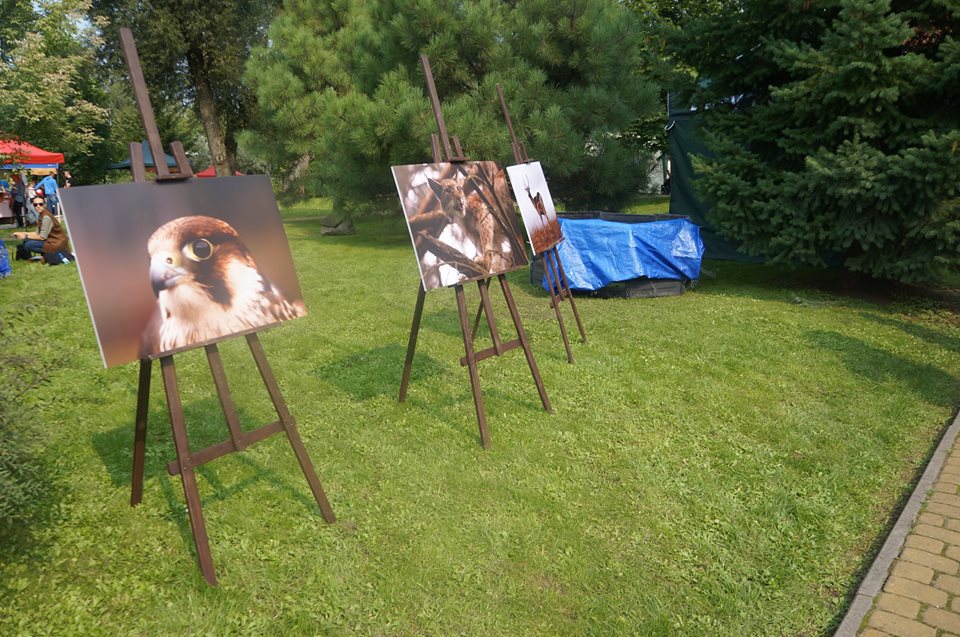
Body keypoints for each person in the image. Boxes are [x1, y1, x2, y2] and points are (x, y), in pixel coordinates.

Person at [11, 195, 69, 262]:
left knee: (28, 245)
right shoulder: (42, 214)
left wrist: (25, 236)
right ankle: (31, 257)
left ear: (45, 204)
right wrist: (21, 233)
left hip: (57, 243)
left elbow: (42, 237)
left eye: (40, 204)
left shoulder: (46, 217)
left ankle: (50, 255)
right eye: (35, 205)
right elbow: (36, 233)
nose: (38, 206)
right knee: (26, 241)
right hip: (51, 241)